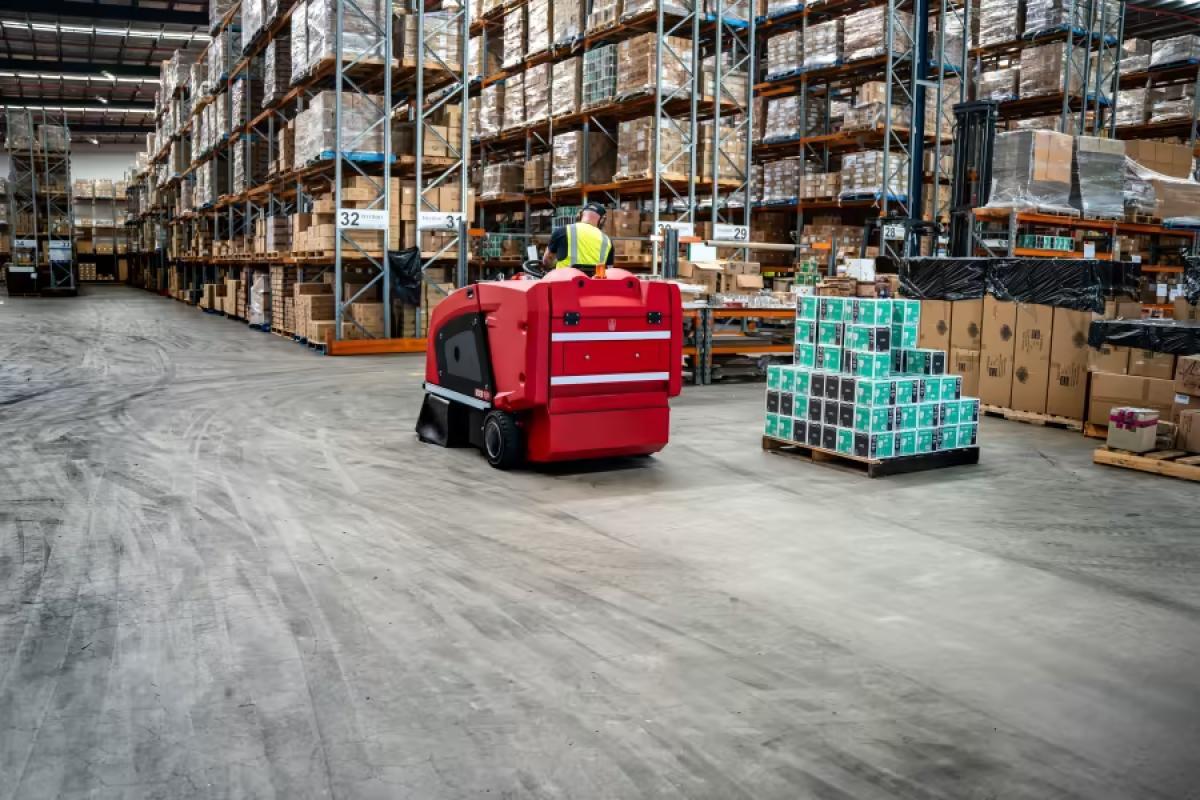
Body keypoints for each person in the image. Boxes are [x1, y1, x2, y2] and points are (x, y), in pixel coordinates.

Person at [542, 201, 614, 277]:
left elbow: (547, 261)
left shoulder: (563, 231)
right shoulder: (607, 241)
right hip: (594, 284)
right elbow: (609, 271)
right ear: (602, 220)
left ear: (580, 215)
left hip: (564, 282)